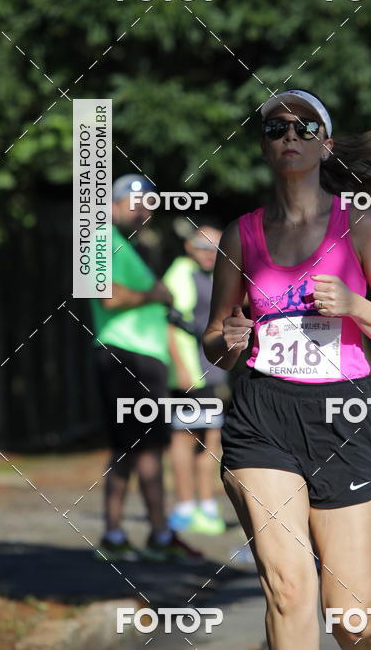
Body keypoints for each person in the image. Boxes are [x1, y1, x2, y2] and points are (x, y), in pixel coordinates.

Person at [203, 89, 371, 650]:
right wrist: (227, 337)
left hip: (343, 414)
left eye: (303, 128)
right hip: (263, 416)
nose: (289, 137)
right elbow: (214, 341)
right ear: (265, 147)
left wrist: (356, 306)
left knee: (352, 622)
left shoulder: (361, 226)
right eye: (276, 129)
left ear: (325, 145)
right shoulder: (240, 235)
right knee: (289, 591)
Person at [90, 174, 201, 562]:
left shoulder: (127, 247)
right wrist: (155, 293)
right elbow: (105, 296)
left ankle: (156, 533)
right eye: (136, 202)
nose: (144, 211)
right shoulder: (99, 238)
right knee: (131, 447)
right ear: (111, 205)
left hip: (146, 360)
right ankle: (120, 534)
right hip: (124, 355)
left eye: (151, 204)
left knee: (149, 446)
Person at [163, 224, 227, 535]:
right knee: (184, 438)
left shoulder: (214, 276)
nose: (209, 254)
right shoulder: (180, 274)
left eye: (215, 249)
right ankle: (186, 507)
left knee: (211, 439)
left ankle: (207, 504)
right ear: (189, 247)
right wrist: (182, 370)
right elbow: (170, 325)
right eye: (203, 247)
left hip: (210, 373)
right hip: (189, 375)